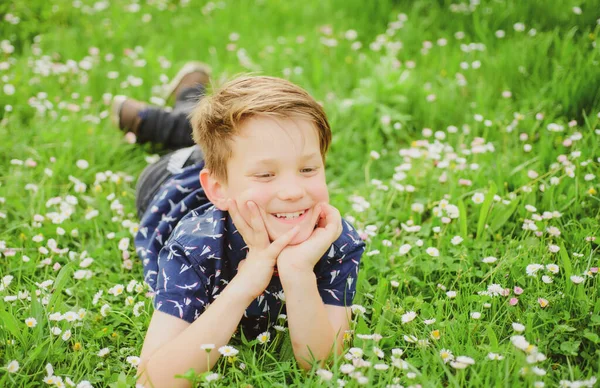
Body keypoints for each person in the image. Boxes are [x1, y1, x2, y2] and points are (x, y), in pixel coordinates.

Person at [112, 63, 365, 388]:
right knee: (195, 145)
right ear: (218, 189)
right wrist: (245, 282)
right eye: (265, 174)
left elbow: (322, 364)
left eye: (308, 169)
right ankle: (172, 116)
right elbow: (154, 380)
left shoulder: (333, 237)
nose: (293, 192)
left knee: (223, 144)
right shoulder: (195, 244)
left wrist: (298, 270)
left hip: (226, 169)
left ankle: (183, 107)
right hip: (173, 181)